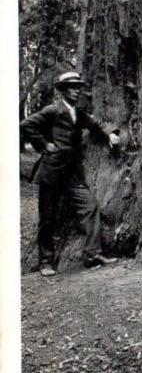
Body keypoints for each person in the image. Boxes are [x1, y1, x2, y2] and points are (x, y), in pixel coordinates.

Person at [20, 71, 120, 277]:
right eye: (71, 87)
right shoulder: (52, 110)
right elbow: (26, 124)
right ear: (63, 91)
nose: (76, 91)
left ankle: (92, 254)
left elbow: (95, 125)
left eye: (78, 87)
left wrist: (111, 134)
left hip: (71, 173)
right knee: (48, 217)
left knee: (90, 206)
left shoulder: (79, 113)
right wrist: (44, 144)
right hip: (51, 171)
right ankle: (45, 262)